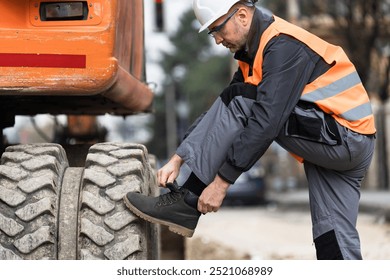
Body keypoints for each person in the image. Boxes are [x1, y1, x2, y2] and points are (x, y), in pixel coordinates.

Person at [124, 0, 376, 260]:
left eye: (217, 29)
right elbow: (220, 111)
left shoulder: (283, 45)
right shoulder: (252, 55)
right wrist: (178, 158)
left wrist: (221, 183)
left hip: (343, 136)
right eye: (212, 33)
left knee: (244, 102)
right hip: (348, 142)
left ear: (242, 15)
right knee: (332, 237)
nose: (217, 40)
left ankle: (187, 202)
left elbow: (266, 121)